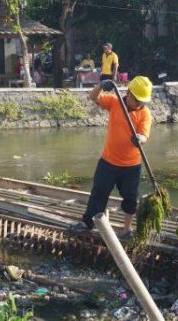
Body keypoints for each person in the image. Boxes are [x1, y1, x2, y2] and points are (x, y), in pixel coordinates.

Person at [69, 76, 153, 239]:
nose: (139, 104)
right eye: (137, 100)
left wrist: (139, 139)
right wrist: (100, 86)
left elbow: (144, 135)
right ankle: (88, 223)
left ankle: (126, 229)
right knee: (98, 193)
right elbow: (93, 97)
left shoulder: (145, 114)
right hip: (108, 161)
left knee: (130, 197)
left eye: (142, 102)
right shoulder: (115, 102)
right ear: (128, 94)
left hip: (131, 165)